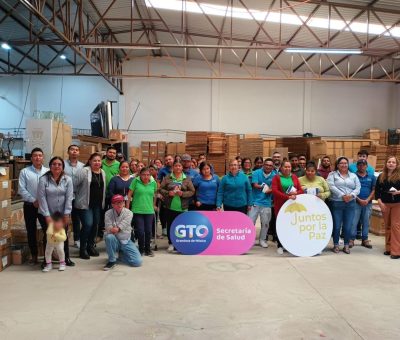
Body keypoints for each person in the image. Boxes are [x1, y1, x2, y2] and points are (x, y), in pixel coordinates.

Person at [38, 156, 74, 267]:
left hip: (61, 214)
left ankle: (66, 258)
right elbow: (41, 197)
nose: (56, 166)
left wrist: (67, 213)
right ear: (50, 166)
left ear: (63, 167)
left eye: (59, 164)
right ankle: (46, 260)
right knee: (48, 236)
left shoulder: (67, 179)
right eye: (54, 164)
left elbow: (69, 197)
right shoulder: (43, 179)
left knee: (63, 236)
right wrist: (47, 215)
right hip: (47, 213)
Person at [18, 148, 49, 265]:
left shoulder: (48, 171)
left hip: (44, 206)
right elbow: (21, 189)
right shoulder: (24, 172)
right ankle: (34, 255)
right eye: (35, 155)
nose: (37, 158)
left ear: (43, 157)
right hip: (29, 206)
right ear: (31, 158)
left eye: (40, 155)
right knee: (31, 231)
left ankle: (47, 256)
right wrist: (33, 200)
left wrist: (42, 201)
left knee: (47, 230)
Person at [74, 153, 107, 259]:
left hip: (97, 204)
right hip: (85, 204)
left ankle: (90, 246)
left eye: (99, 161)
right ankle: (82, 249)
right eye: (94, 160)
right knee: (88, 224)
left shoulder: (102, 172)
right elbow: (74, 185)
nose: (97, 162)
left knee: (95, 225)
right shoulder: (84, 171)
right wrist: (76, 197)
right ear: (90, 161)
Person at [327, 157, 361, 254]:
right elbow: (331, 186)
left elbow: (358, 187)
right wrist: (342, 195)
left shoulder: (353, 176)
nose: (344, 165)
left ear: (348, 165)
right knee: (337, 225)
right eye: (341, 163)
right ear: (337, 165)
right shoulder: (332, 175)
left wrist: (351, 195)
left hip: (350, 203)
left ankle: (346, 245)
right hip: (337, 202)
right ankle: (336, 244)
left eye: (345, 163)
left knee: (348, 226)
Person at [160, 160, 195, 252]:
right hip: (170, 207)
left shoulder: (186, 178)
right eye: (176, 166)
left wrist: (182, 193)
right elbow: (160, 189)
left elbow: (192, 191)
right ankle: (171, 243)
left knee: (182, 226)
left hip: (183, 207)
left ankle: (180, 244)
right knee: (170, 225)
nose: (178, 167)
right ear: (173, 167)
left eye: (179, 166)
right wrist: (168, 193)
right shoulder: (167, 178)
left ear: (182, 168)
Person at [272, 161, 303, 255]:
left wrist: (295, 193)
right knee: (281, 225)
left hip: (292, 205)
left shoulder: (294, 177)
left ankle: (290, 244)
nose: (287, 168)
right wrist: (287, 197)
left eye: (289, 167)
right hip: (280, 204)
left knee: (292, 225)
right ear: (281, 168)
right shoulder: (276, 177)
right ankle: (280, 245)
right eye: (285, 167)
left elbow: (301, 190)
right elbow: (274, 190)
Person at [103, 194, 142, 270]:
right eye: (116, 203)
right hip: (115, 240)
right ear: (112, 205)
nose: (119, 205)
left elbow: (121, 226)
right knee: (109, 237)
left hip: (126, 241)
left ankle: (121, 256)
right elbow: (108, 227)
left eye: (121, 202)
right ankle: (112, 261)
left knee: (137, 262)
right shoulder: (108, 213)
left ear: (124, 203)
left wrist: (115, 228)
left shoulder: (129, 213)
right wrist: (114, 229)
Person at [127, 168, 158, 256]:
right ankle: (141, 249)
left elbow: (155, 195)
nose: (146, 177)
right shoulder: (135, 182)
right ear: (140, 175)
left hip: (149, 211)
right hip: (137, 210)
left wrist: (154, 205)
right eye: (144, 175)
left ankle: (148, 249)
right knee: (140, 231)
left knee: (148, 231)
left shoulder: (153, 183)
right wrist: (127, 208)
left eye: (148, 175)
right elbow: (129, 195)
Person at [375, 156, 400, 259]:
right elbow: (377, 191)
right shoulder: (381, 176)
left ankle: (396, 251)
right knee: (388, 226)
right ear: (386, 163)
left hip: (397, 204)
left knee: (396, 226)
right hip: (385, 204)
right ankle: (388, 248)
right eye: (389, 162)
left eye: (393, 162)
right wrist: (380, 203)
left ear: (397, 164)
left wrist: (399, 192)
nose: (391, 164)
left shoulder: (399, 176)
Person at [350, 159, 376, 249]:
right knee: (353, 221)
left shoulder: (372, 176)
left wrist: (367, 199)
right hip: (356, 202)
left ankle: (365, 239)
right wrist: (359, 199)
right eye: (360, 165)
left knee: (366, 222)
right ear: (357, 166)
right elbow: (351, 190)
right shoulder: (353, 176)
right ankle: (351, 239)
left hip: (367, 203)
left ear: (366, 166)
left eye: (363, 165)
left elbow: (373, 189)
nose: (361, 166)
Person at [249, 158, 276, 248]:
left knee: (265, 223)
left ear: (272, 167)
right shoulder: (256, 172)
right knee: (250, 222)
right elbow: (255, 184)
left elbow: (274, 188)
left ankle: (262, 240)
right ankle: (249, 240)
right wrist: (263, 187)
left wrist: (270, 190)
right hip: (255, 201)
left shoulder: (275, 175)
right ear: (263, 165)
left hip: (266, 203)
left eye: (270, 165)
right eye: (266, 165)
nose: (268, 167)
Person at [64, 144, 84, 249]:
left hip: (78, 195)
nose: (74, 151)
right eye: (72, 149)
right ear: (68, 152)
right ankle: (63, 239)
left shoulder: (83, 166)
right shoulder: (62, 164)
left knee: (76, 218)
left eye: (76, 150)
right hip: (64, 196)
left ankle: (77, 239)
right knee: (64, 218)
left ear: (79, 153)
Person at [157, 154, 174, 236]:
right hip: (165, 194)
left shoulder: (178, 167)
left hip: (176, 193)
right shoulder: (162, 170)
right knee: (163, 212)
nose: (168, 161)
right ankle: (164, 227)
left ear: (173, 159)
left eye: (169, 159)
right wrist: (160, 193)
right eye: (166, 160)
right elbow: (158, 182)